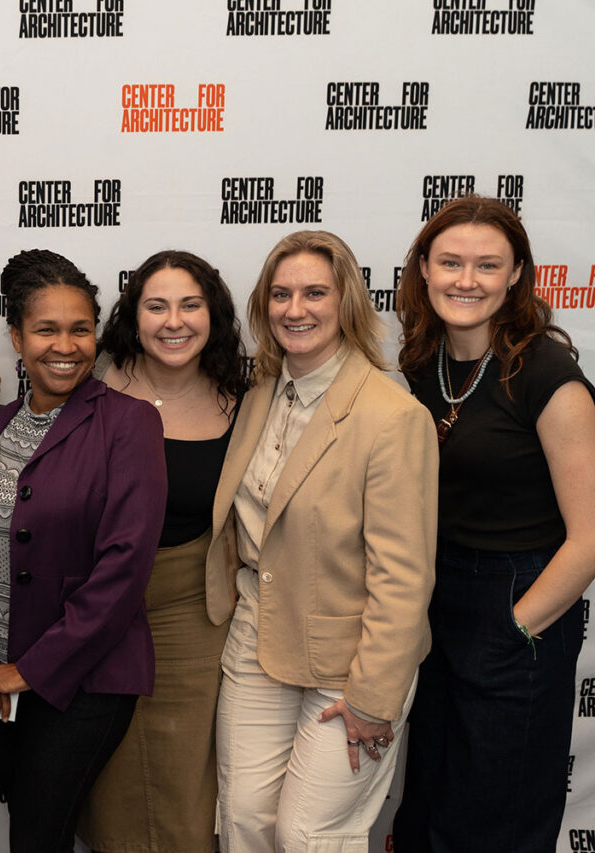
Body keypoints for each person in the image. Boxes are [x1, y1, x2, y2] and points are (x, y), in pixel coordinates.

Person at [205, 230, 438, 851]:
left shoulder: (393, 417)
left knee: (310, 835)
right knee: (244, 820)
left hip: (350, 660)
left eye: (314, 292)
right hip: (257, 635)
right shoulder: (259, 390)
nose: (295, 308)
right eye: (280, 294)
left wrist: (374, 695)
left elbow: (405, 576)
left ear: (346, 303)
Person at [0, 249, 166, 853]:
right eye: (47, 329)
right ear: (16, 337)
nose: (67, 345)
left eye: (81, 329)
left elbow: (124, 568)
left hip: (83, 682)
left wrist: (27, 671)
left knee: (38, 837)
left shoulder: (129, 424)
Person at [391, 196, 595, 852]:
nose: (466, 279)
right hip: (437, 596)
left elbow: (591, 535)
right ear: (424, 267)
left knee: (496, 818)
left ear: (515, 276)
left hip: (518, 595)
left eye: (487, 264)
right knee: (430, 802)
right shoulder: (424, 362)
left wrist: (516, 626)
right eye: (450, 261)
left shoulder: (549, 375)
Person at [79, 250, 247, 853]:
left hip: (190, 608)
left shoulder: (244, 397)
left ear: (214, 314)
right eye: (156, 306)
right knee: (109, 771)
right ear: (134, 315)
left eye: (190, 305)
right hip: (95, 606)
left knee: (183, 771)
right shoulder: (92, 381)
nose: (173, 321)